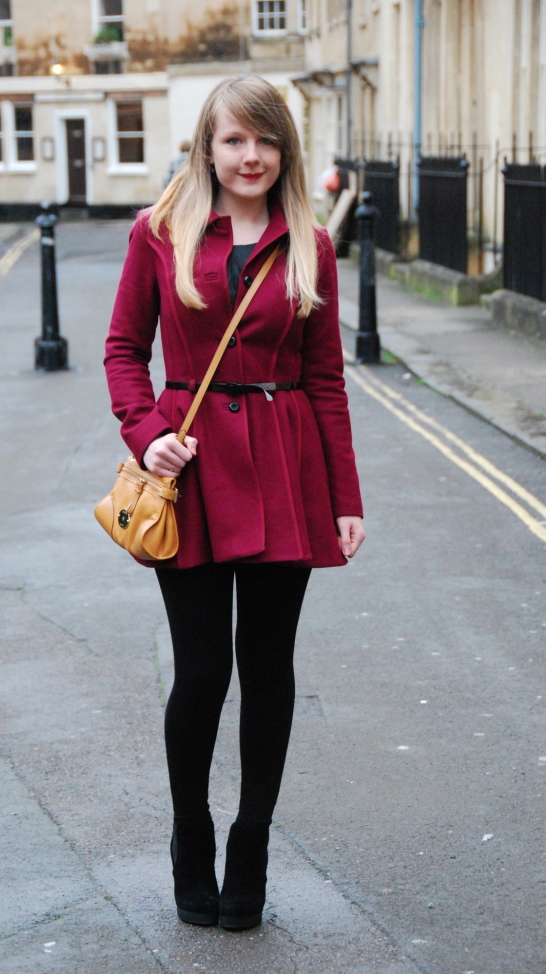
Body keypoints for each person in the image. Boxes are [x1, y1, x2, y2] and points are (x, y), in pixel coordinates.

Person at [104, 75, 365, 932]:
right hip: (192, 471)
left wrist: (345, 497)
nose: (249, 156)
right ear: (206, 148)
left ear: (283, 150)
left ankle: (249, 844)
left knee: (269, 671)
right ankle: (191, 836)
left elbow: (325, 378)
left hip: (286, 468)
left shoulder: (310, 246)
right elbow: (120, 349)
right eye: (232, 140)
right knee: (203, 671)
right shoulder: (160, 232)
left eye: (265, 141)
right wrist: (146, 434)